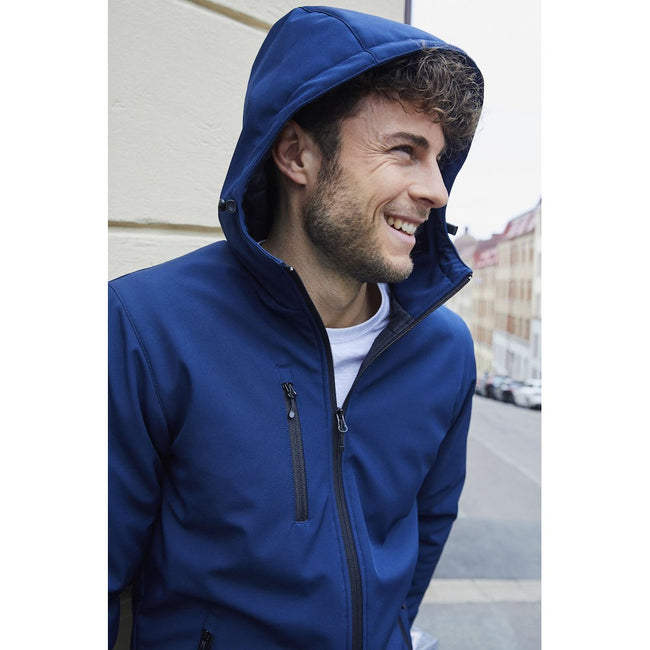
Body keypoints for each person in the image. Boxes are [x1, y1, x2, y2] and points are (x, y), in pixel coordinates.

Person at [108, 6, 483, 649]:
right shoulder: (146, 326)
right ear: (296, 154)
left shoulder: (444, 352)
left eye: (439, 159)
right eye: (404, 151)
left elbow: (422, 538)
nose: (437, 190)